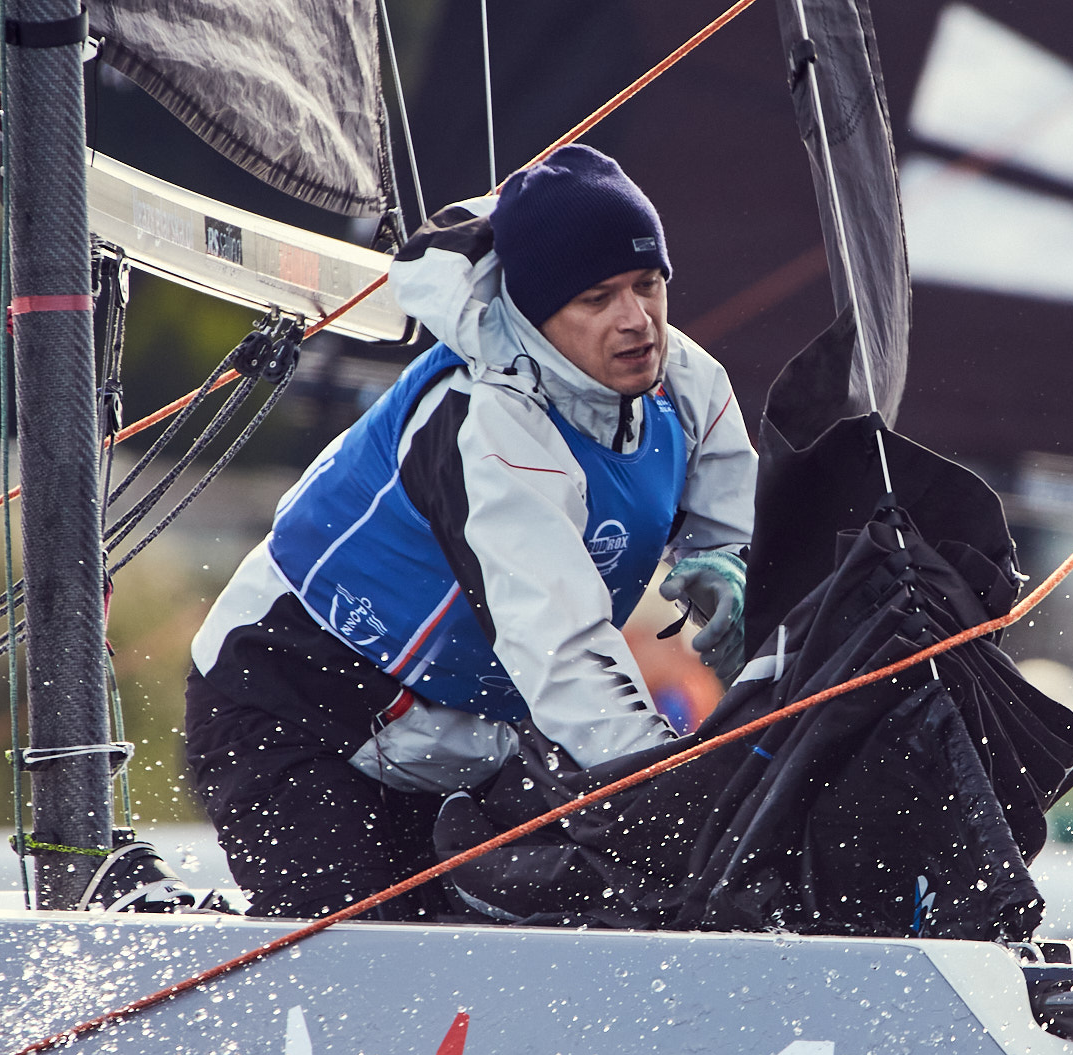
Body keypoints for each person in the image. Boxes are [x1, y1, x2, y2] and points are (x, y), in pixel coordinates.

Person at [185, 145, 757, 918]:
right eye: (596, 298)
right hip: (293, 707)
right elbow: (565, 655)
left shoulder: (686, 382)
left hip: (467, 745)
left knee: (590, 923)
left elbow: (735, 524)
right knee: (364, 961)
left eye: (647, 284)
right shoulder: (490, 422)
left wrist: (727, 566)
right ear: (536, 313)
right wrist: (681, 795)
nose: (635, 320)